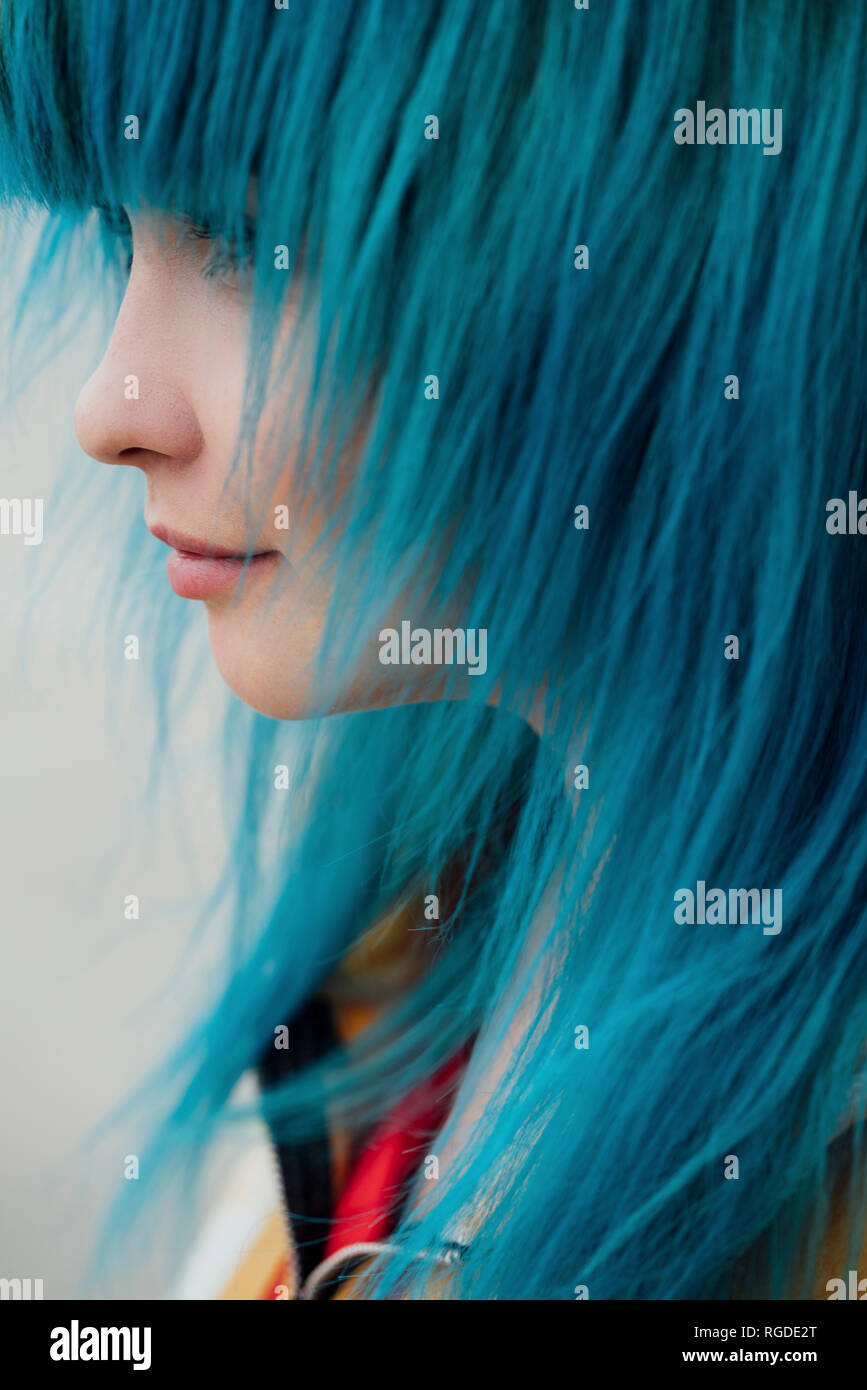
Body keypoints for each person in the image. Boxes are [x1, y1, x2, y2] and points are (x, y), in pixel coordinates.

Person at [2, 0, 866, 1300]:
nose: (109, 407)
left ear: (637, 214)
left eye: (245, 237)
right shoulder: (416, 925)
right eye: (122, 233)